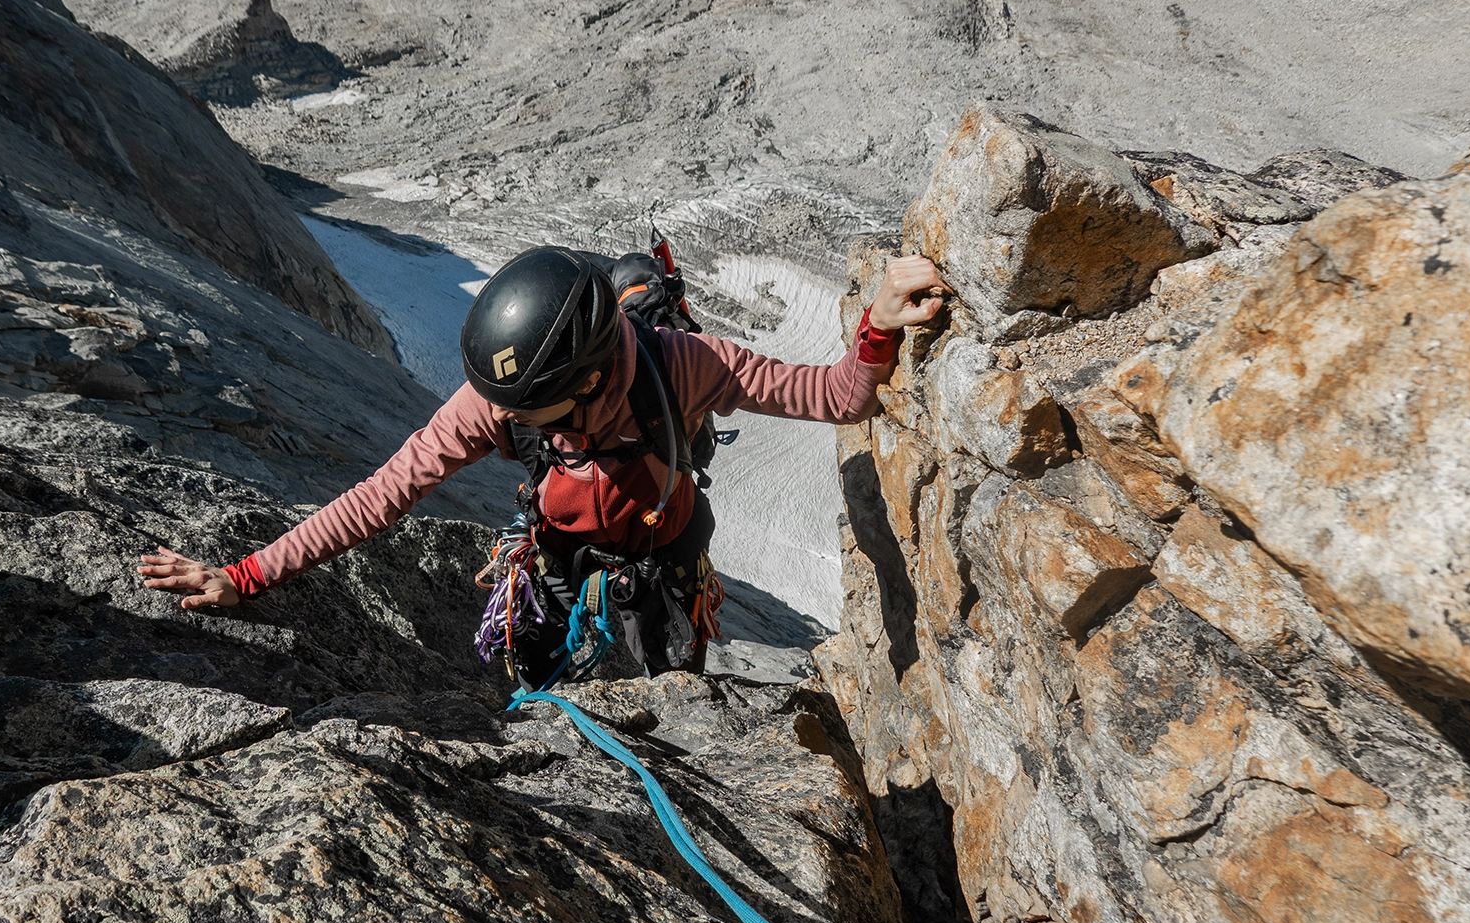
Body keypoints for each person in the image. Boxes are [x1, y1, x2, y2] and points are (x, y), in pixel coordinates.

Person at [137, 247, 949, 690]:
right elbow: (384, 494)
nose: (502, 423)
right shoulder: (502, 399)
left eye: (526, 412)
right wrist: (243, 577)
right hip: (555, 563)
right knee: (539, 685)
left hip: (664, 569)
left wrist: (877, 325)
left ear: (587, 381)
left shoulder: (687, 366)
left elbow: (837, 397)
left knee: (673, 701)